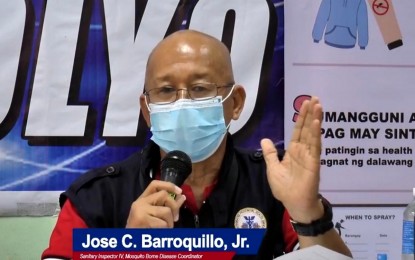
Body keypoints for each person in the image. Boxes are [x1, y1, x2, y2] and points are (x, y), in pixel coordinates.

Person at [42, 29, 352, 259]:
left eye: (200, 88)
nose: (182, 103)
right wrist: (127, 249)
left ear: (236, 103)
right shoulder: (95, 198)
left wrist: (309, 215)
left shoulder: (274, 186)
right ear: (147, 110)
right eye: (165, 90)